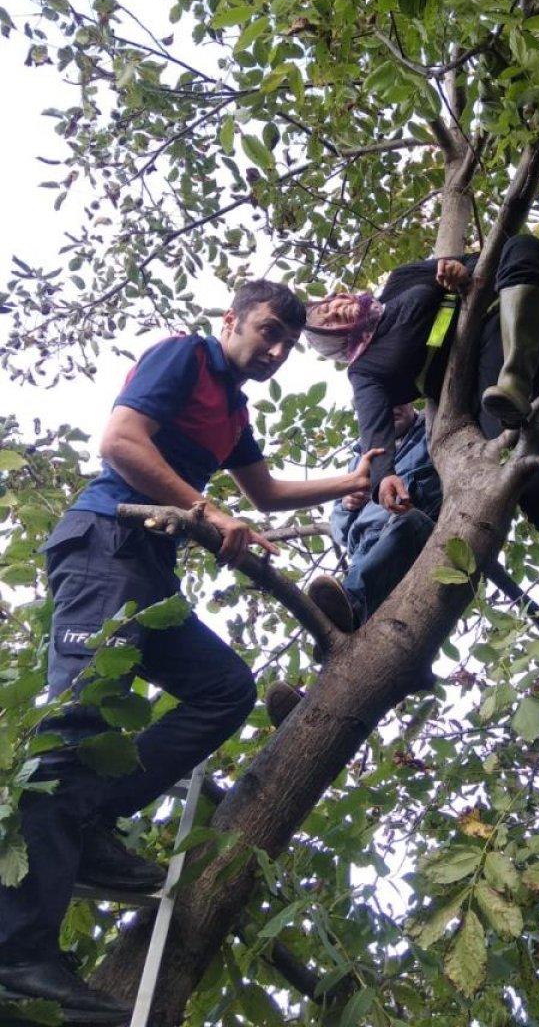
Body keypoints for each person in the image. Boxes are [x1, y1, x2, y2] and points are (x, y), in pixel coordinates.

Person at [0, 280, 379, 1025]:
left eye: (283, 345)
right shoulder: (184, 358)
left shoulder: (233, 413)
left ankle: (90, 818)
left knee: (225, 689)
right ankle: (16, 945)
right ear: (230, 320)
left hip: (150, 572)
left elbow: (265, 492)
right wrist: (206, 509)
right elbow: (118, 442)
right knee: (77, 720)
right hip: (106, 542)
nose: (271, 351)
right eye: (265, 332)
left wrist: (354, 481)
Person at [301, 235, 539, 653]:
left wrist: (465, 275)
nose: (334, 312)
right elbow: (374, 433)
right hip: (483, 390)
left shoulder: (402, 280)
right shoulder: (366, 370)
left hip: (516, 329)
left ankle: (517, 376)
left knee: (522, 244)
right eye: (326, 323)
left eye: (330, 304)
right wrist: (382, 479)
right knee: (537, 485)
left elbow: (484, 259)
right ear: (334, 346)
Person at [265, 403, 441, 727]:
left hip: (412, 537)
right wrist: (347, 504)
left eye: (398, 398)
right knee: (350, 639)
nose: (391, 408)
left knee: (410, 523)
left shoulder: (434, 429)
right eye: (382, 405)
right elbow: (340, 529)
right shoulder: (363, 455)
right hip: (367, 554)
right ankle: (304, 712)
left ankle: (351, 604)